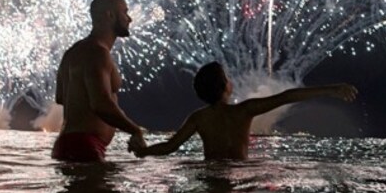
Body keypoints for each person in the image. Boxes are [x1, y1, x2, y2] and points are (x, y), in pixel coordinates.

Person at [131, 62, 357, 161]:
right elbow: (287, 96)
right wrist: (331, 90)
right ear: (225, 86)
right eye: (227, 78)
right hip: (240, 171)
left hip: (211, 172)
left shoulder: (199, 118)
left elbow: (170, 147)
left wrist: (143, 152)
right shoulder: (245, 111)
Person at [52, 0, 146, 162]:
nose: (129, 19)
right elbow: (101, 104)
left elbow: (60, 97)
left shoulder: (72, 52)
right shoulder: (98, 53)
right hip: (85, 146)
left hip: (67, 144)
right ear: (109, 15)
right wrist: (135, 130)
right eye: (125, 12)